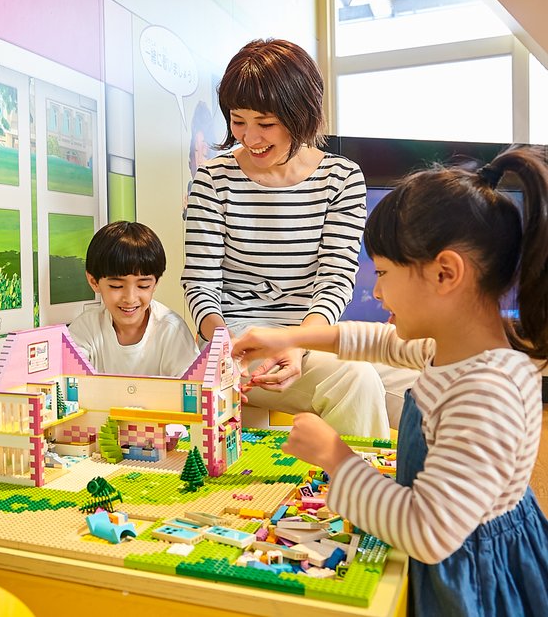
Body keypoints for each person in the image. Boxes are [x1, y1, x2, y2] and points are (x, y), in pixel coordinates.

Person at [231, 146, 548, 616]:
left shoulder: (485, 391)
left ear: (445, 273)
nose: (375, 291)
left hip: (471, 583)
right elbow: (374, 341)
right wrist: (286, 336)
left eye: (382, 273)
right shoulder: (452, 348)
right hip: (461, 554)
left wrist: (335, 456)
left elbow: (427, 532)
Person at [181, 38, 390, 438]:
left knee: (391, 382)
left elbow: (335, 279)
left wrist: (297, 343)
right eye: (237, 120)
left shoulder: (342, 179)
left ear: (301, 115)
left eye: (265, 123)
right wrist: (225, 347)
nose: (250, 137)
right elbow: (200, 283)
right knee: (358, 381)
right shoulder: (212, 179)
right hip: (234, 347)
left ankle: (379, 496)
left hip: (308, 340)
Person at [69, 221, 198, 377]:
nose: (130, 298)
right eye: (116, 286)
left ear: (155, 283)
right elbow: (69, 383)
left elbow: (192, 390)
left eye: (143, 286)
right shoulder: (85, 329)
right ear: (94, 282)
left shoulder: (171, 330)